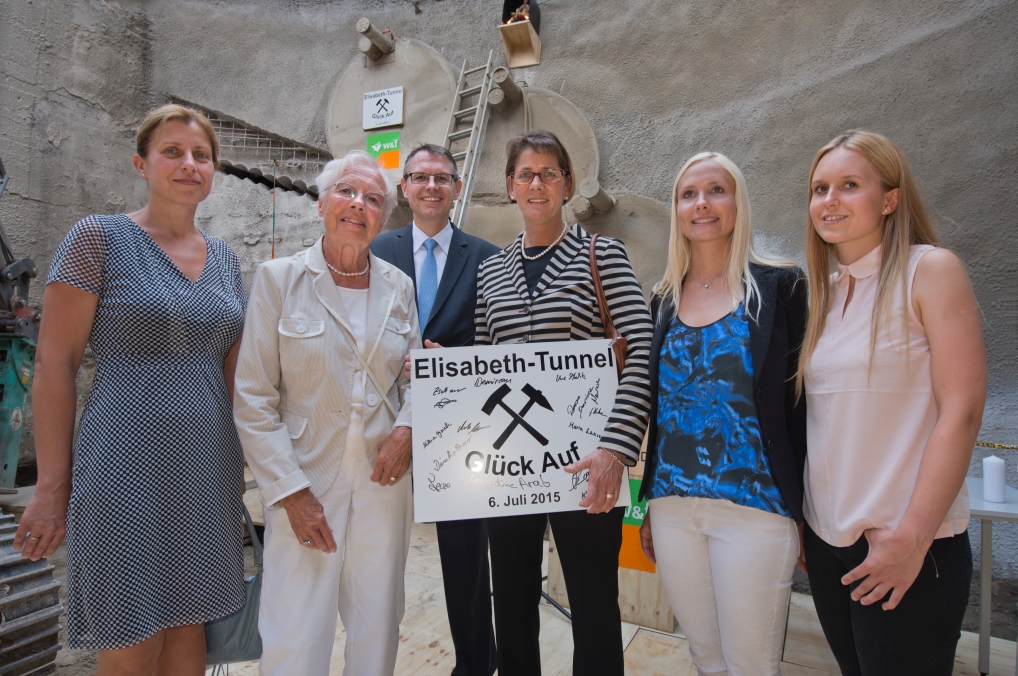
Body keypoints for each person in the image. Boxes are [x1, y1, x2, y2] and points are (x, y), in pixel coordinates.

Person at [13, 104, 246, 675]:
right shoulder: (98, 239)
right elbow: (54, 365)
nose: (189, 164)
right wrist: (49, 487)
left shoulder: (226, 261)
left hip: (206, 470)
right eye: (173, 152)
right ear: (141, 163)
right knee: (132, 638)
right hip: (123, 468)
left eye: (201, 155)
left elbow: (239, 378)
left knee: (191, 632)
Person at [798, 130, 985, 675]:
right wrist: (812, 525)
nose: (829, 200)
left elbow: (964, 410)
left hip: (907, 546)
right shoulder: (823, 291)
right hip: (831, 544)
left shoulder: (930, 271)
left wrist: (912, 536)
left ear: (889, 199)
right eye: (820, 188)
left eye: (849, 185)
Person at [233, 150, 420, 676]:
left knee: (378, 622)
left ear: (383, 218)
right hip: (305, 479)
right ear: (321, 204)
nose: (359, 205)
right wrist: (288, 491)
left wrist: (406, 428)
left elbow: (417, 377)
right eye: (347, 192)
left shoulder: (398, 287)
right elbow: (253, 396)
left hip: (384, 481)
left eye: (374, 200)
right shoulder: (279, 279)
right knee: (294, 629)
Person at [474, 130, 653, 676]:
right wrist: (447, 376)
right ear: (509, 187)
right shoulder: (490, 271)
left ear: (568, 185)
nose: (537, 183)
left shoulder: (601, 254)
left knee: (595, 605)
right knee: (512, 603)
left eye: (549, 173)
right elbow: (484, 367)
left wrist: (616, 451)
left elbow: (641, 348)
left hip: (585, 466)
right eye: (525, 174)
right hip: (512, 470)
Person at [637, 152, 808, 675]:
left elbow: (802, 409)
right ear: (676, 210)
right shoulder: (662, 299)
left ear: (738, 202)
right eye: (688, 194)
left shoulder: (782, 289)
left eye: (717, 190)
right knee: (706, 659)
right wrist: (647, 502)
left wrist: (805, 511)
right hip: (673, 511)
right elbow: (660, 412)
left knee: (751, 665)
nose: (702, 204)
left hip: (755, 510)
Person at [371, 143, 500, 676]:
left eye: (441, 178)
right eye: (419, 177)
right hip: (382, 418)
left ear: (456, 187)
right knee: (378, 549)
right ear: (404, 188)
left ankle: (475, 664)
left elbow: (498, 345)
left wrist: (456, 363)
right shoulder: (377, 248)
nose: (430, 187)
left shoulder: (489, 257)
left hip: (458, 426)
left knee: (465, 557)